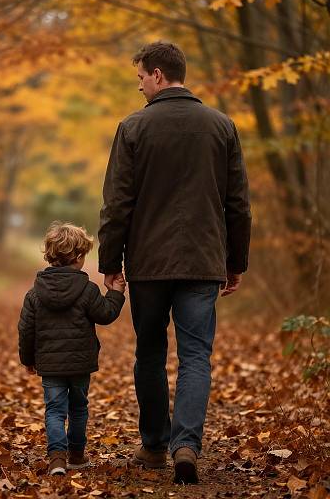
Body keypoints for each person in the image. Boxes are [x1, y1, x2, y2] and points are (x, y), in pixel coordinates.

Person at [98, 41, 251, 484]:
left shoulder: (132, 127)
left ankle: (153, 445)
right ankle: (186, 444)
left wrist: (111, 262)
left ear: (159, 75)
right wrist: (235, 260)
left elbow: (117, 204)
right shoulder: (222, 126)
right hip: (204, 261)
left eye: (142, 78)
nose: (140, 86)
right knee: (196, 357)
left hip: (148, 264)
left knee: (149, 352)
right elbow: (238, 204)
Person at [18, 222, 126, 476]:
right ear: (78, 257)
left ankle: (57, 458)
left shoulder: (34, 294)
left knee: (54, 410)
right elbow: (106, 314)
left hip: (51, 366)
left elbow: (26, 330)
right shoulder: (87, 290)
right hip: (80, 363)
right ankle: (76, 455)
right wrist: (117, 293)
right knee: (78, 407)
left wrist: (28, 359)